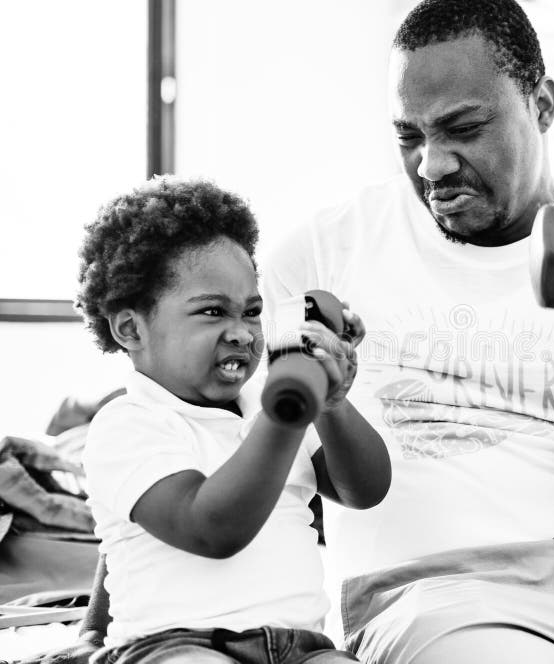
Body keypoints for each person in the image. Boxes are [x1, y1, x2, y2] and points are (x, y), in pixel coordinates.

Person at [24, 1, 554, 663]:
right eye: (408, 136)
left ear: (545, 103)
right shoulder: (321, 255)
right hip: (443, 593)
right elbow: (211, 430)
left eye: (463, 127)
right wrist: (104, 616)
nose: (432, 164)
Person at [71, 176, 390, 664]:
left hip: (300, 649)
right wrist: (286, 415)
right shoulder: (129, 424)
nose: (241, 333)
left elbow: (363, 489)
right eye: (213, 312)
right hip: (175, 645)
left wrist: (332, 404)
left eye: (253, 312)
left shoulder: (270, 404)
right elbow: (211, 528)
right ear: (131, 328)